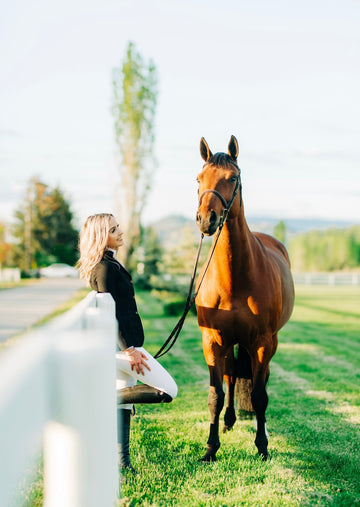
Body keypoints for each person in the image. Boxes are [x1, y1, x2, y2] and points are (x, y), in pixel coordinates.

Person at [77, 213, 177, 473]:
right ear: (101, 237)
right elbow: (112, 314)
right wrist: (129, 350)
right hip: (124, 350)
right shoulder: (104, 268)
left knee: (125, 403)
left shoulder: (110, 263)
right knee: (168, 390)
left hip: (126, 348)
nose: (120, 232)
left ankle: (122, 463)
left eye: (117, 227)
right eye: (113, 229)